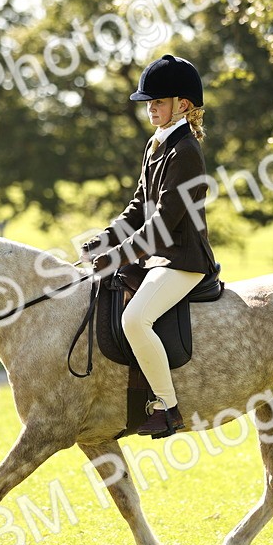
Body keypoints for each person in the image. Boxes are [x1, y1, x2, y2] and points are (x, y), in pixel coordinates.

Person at [80, 54, 219, 439]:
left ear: (183, 105)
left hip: (183, 261)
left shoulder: (186, 151)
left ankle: (169, 407)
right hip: (157, 258)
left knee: (134, 319)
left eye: (158, 102)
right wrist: (103, 240)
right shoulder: (156, 144)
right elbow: (139, 207)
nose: (151, 109)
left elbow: (162, 223)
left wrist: (117, 256)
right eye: (149, 103)